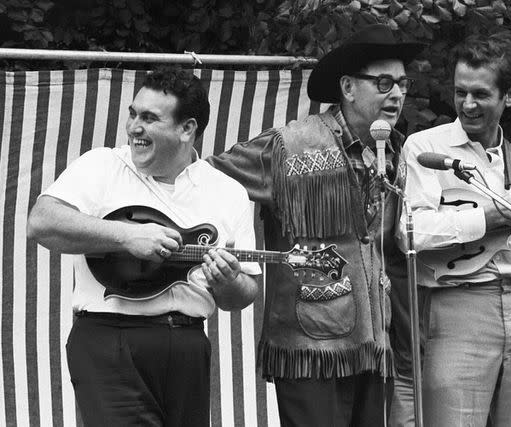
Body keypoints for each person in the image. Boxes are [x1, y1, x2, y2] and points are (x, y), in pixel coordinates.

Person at [207, 24, 423, 427]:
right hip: (309, 347)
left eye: (403, 83)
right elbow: (206, 181)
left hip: (375, 344)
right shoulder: (289, 145)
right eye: (383, 83)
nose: (397, 94)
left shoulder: (393, 154)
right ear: (347, 87)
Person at [26, 68, 261, 427]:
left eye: (150, 118)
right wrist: (126, 235)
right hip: (109, 338)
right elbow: (41, 222)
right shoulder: (101, 166)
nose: (134, 127)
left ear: (187, 129)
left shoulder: (227, 192)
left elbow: (239, 297)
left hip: (188, 343)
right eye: (133, 114)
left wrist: (226, 279)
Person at [395, 33, 511, 426]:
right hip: (458, 306)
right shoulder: (425, 147)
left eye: (480, 94)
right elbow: (410, 233)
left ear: (508, 96)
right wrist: (486, 220)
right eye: (460, 93)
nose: (467, 105)